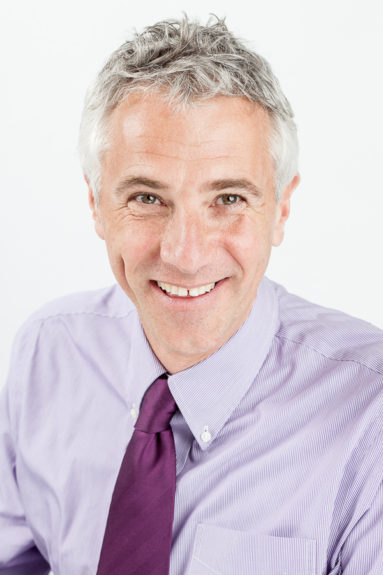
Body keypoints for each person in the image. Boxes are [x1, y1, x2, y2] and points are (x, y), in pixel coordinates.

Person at [1, 15, 382, 575]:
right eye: (147, 198)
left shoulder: (369, 417)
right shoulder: (49, 354)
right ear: (96, 205)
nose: (184, 252)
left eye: (228, 198)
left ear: (280, 208)